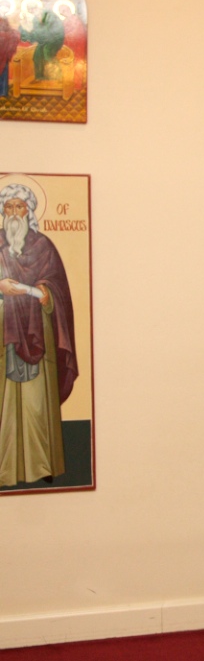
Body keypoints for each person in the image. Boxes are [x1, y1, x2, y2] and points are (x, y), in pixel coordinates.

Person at [0, 183, 78, 487]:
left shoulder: (43, 246)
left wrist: (37, 291)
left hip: (37, 337)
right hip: (3, 335)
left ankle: (42, 464)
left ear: (29, 211)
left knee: (36, 404)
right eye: (8, 207)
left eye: (19, 206)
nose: (13, 213)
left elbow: (56, 290)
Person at [19, 0, 64, 82]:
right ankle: (39, 77)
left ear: (37, 7)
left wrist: (35, 33)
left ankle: (57, 77)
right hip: (43, 41)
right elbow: (36, 33)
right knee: (36, 56)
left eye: (32, 9)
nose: (32, 12)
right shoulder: (35, 19)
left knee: (47, 53)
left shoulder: (49, 15)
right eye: (30, 11)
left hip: (54, 39)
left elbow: (50, 30)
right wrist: (26, 34)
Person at [0, 3, 19, 98]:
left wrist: (14, 34)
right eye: (2, 8)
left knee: (4, 69)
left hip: (4, 49)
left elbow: (9, 31)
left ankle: (3, 91)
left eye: (6, 9)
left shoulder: (5, 20)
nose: (4, 10)